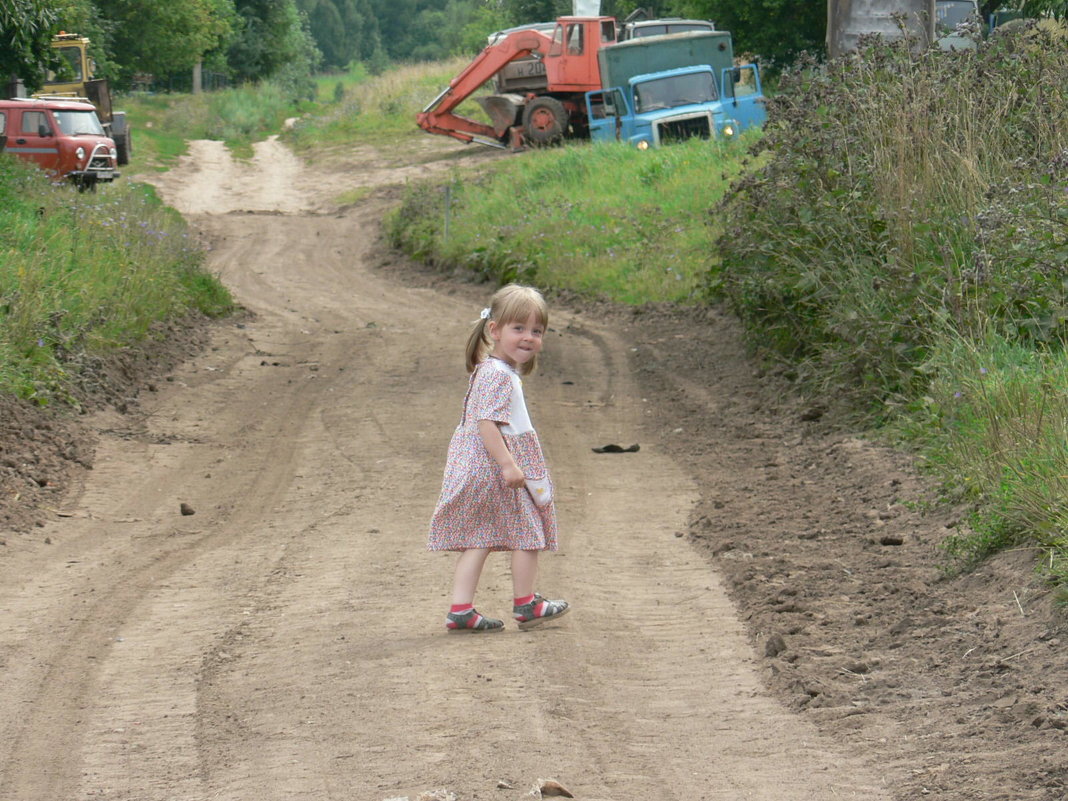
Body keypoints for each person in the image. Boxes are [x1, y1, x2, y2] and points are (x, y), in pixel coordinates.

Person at [428, 284, 570, 633]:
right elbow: (486, 422)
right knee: (528, 535)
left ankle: (461, 609)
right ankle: (526, 603)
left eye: (537, 331)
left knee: (480, 536)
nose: (528, 337)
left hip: (477, 465)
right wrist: (508, 464)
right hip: (494, 467)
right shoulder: (498, 375)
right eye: (518, 328)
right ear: (495, 330)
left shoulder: (494, 370)